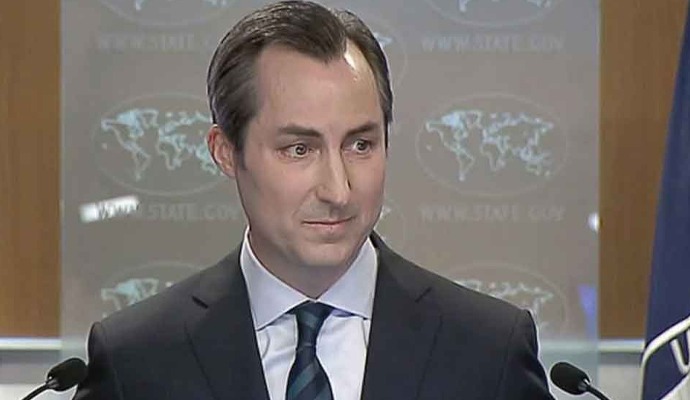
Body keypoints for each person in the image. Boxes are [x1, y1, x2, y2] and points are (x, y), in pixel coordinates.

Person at [73, 1, 554, 399]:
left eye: (360, 145)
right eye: (299, 149)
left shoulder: (489, 350)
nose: (338, 191)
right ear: (226, 152)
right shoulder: (137, 361)